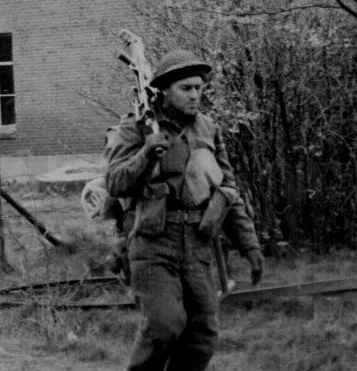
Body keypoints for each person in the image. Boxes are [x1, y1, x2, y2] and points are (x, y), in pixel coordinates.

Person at [105, 49, 265, 371]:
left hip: (199, 244)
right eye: (186, 88)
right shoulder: (136, 127)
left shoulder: (208, 128)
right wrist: (146, 155)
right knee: (165, 324)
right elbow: (115, 183)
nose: (195, 95)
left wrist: (250, 245)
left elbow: (228, 191)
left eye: (199, 88)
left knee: (202, 334)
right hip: (153, 243)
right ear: (165, 90)